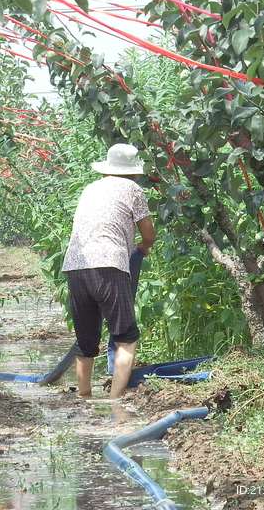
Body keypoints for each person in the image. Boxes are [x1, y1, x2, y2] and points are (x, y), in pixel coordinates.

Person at [62, 143, 156, 399]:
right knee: (126, 337)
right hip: (109, 264)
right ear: (134, 172)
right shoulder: (132, 188)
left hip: (75, 266)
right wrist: (144, 248)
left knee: (86, 341)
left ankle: (84, 397)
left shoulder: (90, 188)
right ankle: (115, 401)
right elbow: (148, 233)